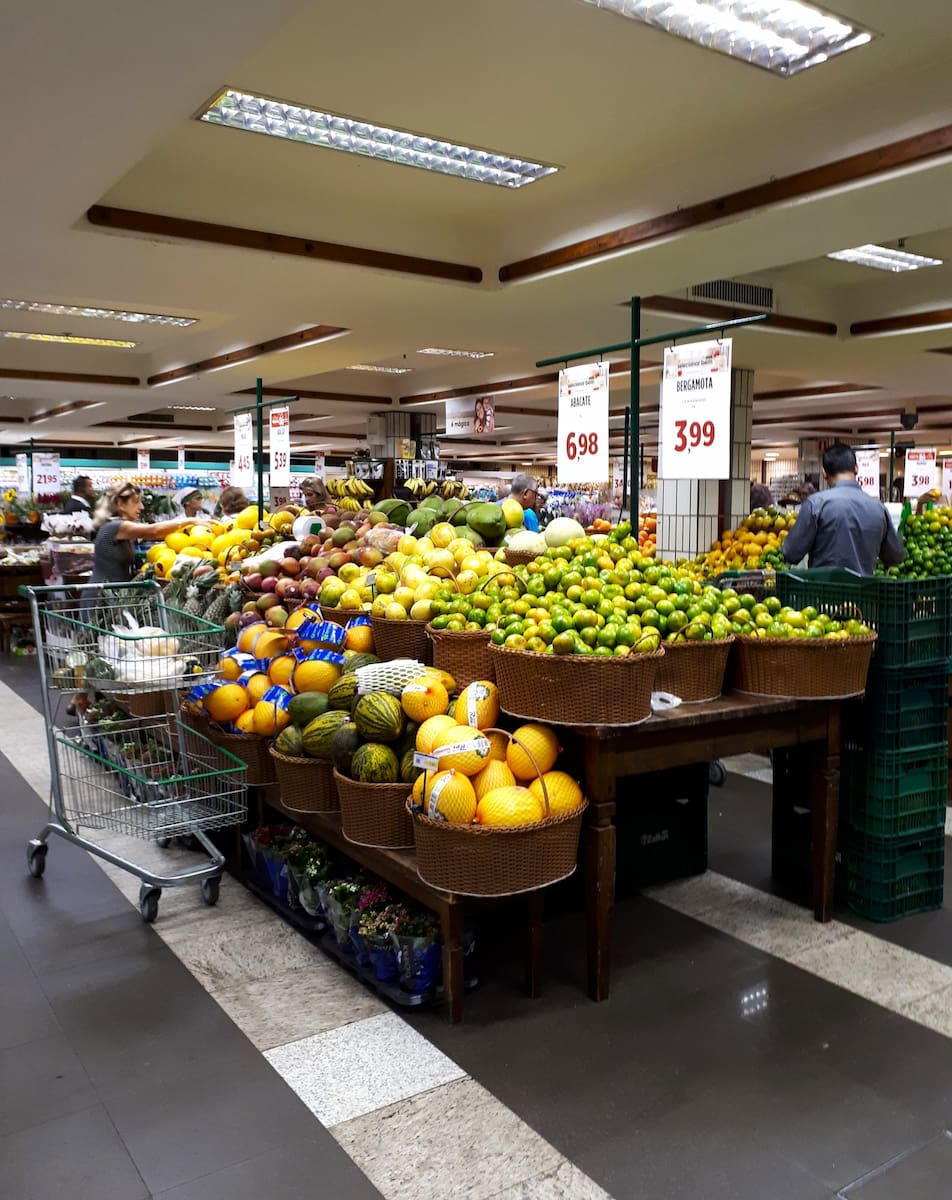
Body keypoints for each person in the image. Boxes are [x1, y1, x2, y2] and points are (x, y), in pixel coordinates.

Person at [781, 443, 905, 576]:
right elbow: (896, 556)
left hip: (822, 591)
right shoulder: (879, 508)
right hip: (865, 592)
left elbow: (791, 553)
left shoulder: (816, 505)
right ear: (856, 469)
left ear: (824, 473)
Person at [90, 484, 197, 585]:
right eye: (136, 502)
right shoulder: (116, 526)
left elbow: (160, 534)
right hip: (100, 597)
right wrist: (190, 521)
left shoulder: (113, 526)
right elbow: (154, 531)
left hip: (111, 593)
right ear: (120, 504)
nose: (141, 507)